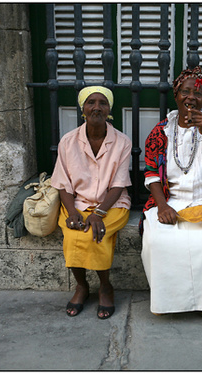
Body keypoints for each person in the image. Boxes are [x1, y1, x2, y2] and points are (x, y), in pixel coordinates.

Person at [140, 66, 202, 320]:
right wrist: (162, 206)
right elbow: (151, 173)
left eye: (197, 93)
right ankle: (166, 302)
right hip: (172, 200)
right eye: (185, 91)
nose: (191, 98)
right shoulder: (162, 129)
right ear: (176, 95)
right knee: (157, 240)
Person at [51, 86, 132, 319]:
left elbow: (118, 184)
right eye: (91, 102)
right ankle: (82, 286)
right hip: (77, 203)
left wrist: (99, 212)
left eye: (102, 103)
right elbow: (62, 182)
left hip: (112, 204)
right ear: (82, 109)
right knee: (74, 233)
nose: (97, 107)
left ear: (109, 110)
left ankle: (105, 287)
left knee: (98, 233)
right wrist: (71, 211)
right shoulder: (68, 141)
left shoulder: (121, 142)